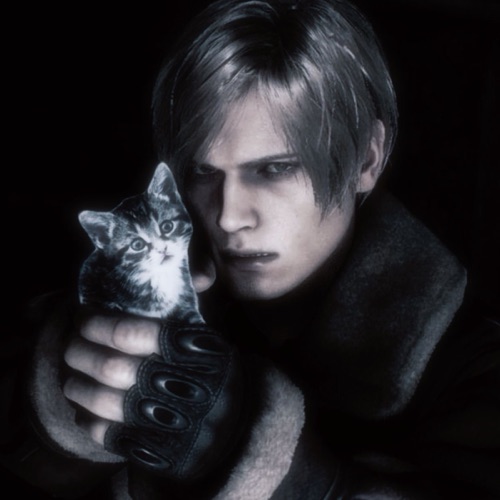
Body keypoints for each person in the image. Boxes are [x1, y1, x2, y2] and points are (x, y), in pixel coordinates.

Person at [1, 0, 499, 498]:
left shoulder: (474, 368)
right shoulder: (123, 292)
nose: (228, 215)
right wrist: (66, 391)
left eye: (274, 169)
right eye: (204, 172)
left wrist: (266, 462)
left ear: (367, 159)